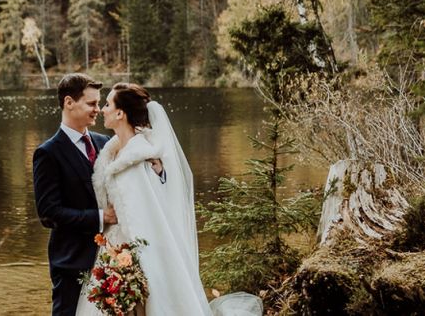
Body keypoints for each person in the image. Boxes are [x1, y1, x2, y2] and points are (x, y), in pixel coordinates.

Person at [76, 83, 263, 316]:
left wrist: (132, 262)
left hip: (134, 252)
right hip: (113, 250)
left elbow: (145, 216)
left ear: (120, 113)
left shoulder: (140, 158)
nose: (102, 109)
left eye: (107, 104)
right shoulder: (113, 153)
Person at [33, 73, 116, 316]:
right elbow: (49, 213)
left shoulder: (106, 143)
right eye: (92, 104)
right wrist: (101, 218)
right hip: (71, 260)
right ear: (69, 102)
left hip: (111, 258)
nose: (98, 110)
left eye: (99, 104)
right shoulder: (48, 153)